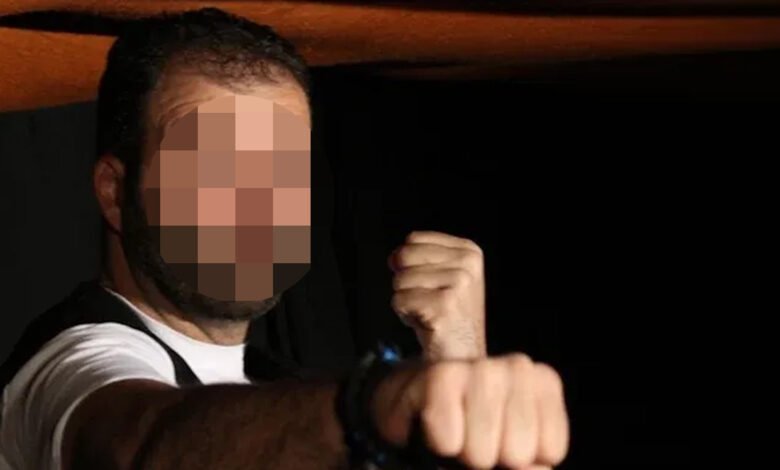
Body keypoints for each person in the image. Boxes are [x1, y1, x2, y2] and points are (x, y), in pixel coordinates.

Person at [0, 8, 568, 470]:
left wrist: (460, 365)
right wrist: (370, 411)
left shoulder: (280, 385)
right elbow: (143, 446)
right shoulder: (67, 372)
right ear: (114, 193)